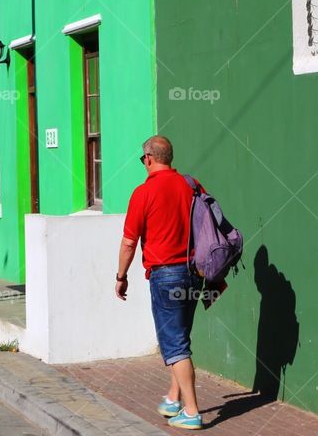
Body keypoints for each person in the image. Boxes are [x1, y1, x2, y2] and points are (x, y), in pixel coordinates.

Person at [116, 135, 203, 430]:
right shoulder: (191, 186)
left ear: (150, 159)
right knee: (180, 338)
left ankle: (192, 412)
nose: (144, 163)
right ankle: (172, 398)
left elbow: (129, 242)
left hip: (166, 274)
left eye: (143, 159)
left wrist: (121, 276)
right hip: (194, 273)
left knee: (175, 346)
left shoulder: (144, 192)